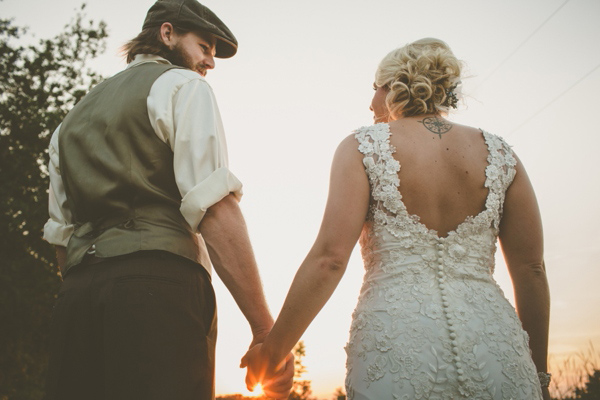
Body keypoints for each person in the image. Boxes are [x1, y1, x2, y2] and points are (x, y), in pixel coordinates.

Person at [241, 38, 551, 399]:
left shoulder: (362, 146)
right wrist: (538, 375)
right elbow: (531, 271)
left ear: (392, 87)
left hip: (397, 348)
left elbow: (329, 260)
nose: (370, 102)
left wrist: (273, 352)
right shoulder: (500, 152)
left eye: (374, 88)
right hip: (497, 347)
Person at [42, 1, 293, 399]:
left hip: (76, 299)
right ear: (167, 34)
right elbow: (212, 204)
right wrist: (264, 329)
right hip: (159, 292)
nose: (209, 62)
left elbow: (61, 236)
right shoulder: (183, 87)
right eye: (205, 46)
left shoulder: (70, 120)